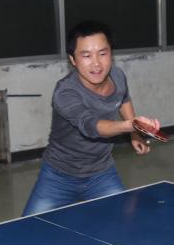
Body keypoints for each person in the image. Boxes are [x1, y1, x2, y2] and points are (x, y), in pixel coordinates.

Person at [22, 20, 159, 216]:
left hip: (102, 174)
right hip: (58, 177)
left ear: (111, 53)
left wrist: (134, 134)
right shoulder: (65, 92)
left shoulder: (118, 76)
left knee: (125, 225)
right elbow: (92, 126)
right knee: (30, 228)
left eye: (103, 53)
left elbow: (123, 98)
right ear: (73, 59)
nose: (96, 63)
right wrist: (131, 126)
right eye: (86, 55)